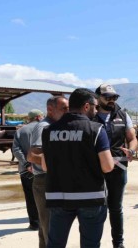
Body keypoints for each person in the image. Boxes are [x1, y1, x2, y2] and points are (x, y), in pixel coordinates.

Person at [41, 88, 114, 248]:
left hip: (58, 196)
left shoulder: (48, 131)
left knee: (55, 244)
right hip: (91, 197)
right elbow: (108, 167)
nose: (96, 110)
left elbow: (45, 166)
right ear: (86, 106)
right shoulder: (96, 130)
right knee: (90, 244)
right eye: (95, 107)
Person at [93, 83, 138, 248]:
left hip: (118, 167)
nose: (112, 100)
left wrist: (131, 151)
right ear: (98, 98)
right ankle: (93, 242)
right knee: (95, 206)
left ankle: (118, 243)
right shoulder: (90, 115)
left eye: (114, 97)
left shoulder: (123, 115)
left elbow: (132, 138)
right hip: (94, 168)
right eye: (108, 97)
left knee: (115, 207)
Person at [27, 96, 69, 248]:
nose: (68, 111)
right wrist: (57, 163)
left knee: (47, 227)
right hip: (44, 180)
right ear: (50, 109)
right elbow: (32, 155)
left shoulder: (56, 125)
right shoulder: (44, 127)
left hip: (50, 180)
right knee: (50, 227)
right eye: (64, 108)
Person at [12, 109, 44, 231]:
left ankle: (34, 223)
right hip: (43, 169)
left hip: (26, 171)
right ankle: (46, 223)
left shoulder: (20, 131)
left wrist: (26, 164)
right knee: (45, 196)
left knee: (30, 197)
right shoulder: (45, 128)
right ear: (38, 117)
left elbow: (16, 150)